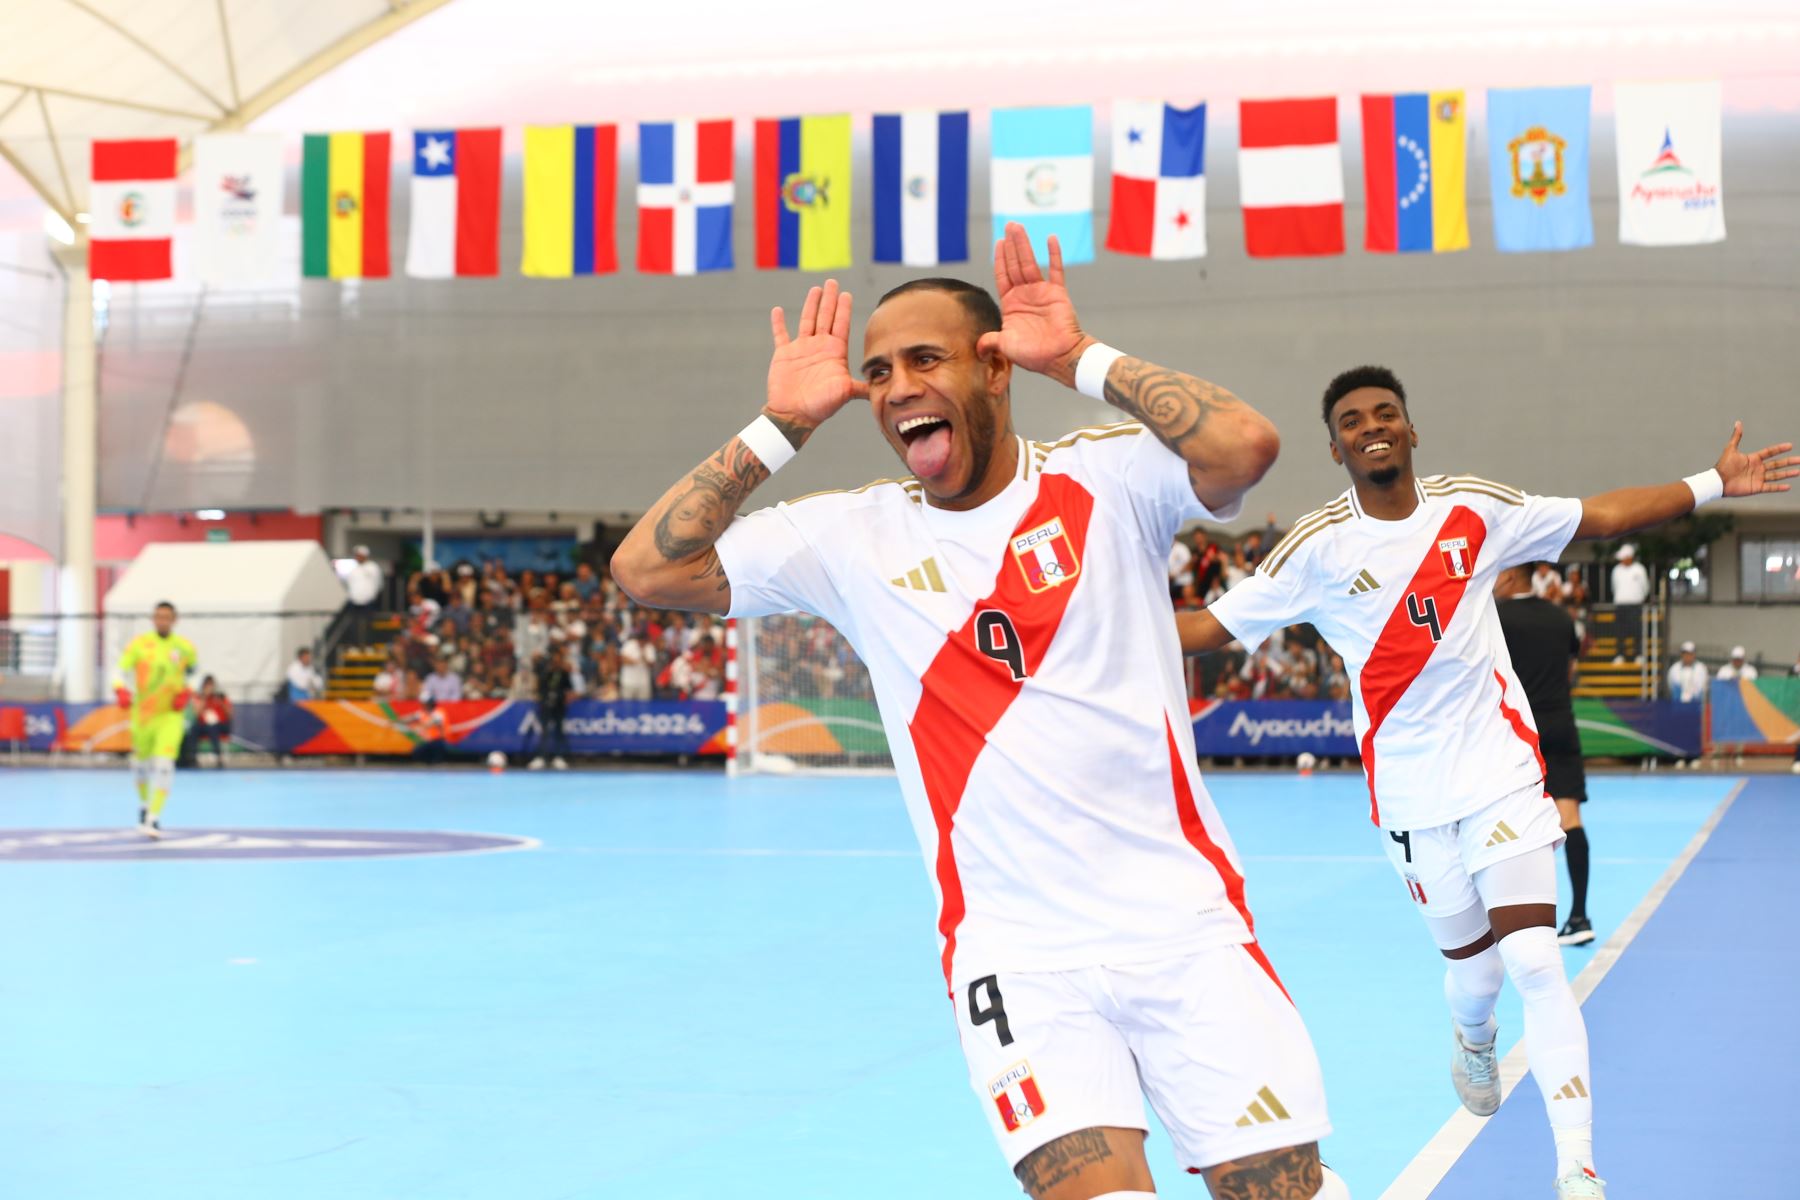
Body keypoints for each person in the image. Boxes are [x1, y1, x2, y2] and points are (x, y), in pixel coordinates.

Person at [611, 226, 1344, 1200]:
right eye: (877, 371)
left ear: (995, 369)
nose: (897, 385)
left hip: (1184, 929)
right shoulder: (850, 536)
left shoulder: (1106, 480)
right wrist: (779, 424)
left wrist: (1079, 357)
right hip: (1016, 959)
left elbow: (1245, 445)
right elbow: (646, 571)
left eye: (925, 359)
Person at [1175, 363, 1795, 1200]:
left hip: (1500, 774)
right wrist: (1082, 610)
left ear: (1411, 429)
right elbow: (1210, 627)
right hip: (1408, 799)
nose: (1372, 426)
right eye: (1353, 420)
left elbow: (1600, 517)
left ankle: (1577, 1166)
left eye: (1386, 412)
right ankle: (1473, 1036)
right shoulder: (1317, 548)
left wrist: (1711, 481)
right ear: (1335, 447)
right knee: (1475, 973)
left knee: (1537, 957)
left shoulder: (1473, 509)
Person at [1495, 566, 1593, 946]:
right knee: (1571, 818)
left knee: (1508, 827)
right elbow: (1570, 667)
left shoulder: (1496, 618)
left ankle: (1515, 927)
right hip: (1561, 723)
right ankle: (1580, 916)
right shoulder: (1559, 617)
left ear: (1511, 577)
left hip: (1518, 733)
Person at [111, 600, 198, 838]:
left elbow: (195, 673)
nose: (162, 620)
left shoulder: (184, 647)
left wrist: (187, 691)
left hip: (170, 715)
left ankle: (154, 817)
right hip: (143, 715)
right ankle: (144, 805)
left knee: (164, 764)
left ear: (174, 620)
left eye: (167, 617)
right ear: (153, 619)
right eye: (158, 616)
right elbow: (118, 670)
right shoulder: (140, 645)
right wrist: (120, 689)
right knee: (140, 766)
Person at [529, 644, 574, 770]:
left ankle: (558, 757)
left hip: (559, 704)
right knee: (544, 732)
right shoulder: (544, 669)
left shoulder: (564, 672)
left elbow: (569, 687)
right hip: (545, 703)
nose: (556, 660)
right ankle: (541, 757)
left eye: (558, 657)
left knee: (559, 731)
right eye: (554, 657)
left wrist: (567, 697)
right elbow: (538, 680)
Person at [178, 676, 233, 768]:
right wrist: (205, 697)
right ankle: (192, 757)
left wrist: (221, 703)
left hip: (220, 725)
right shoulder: (200, 697)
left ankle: (218, 757)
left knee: (213, 728)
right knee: (193, 729)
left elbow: (230, 715)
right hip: (204, 726)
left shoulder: (222, 697)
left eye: (211, 685)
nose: (209, 687)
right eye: (207, 685)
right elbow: (197, 714)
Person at [1608, 544, 1650, 663]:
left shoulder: (1639, 569)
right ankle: (1620, 654)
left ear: (1630, 556)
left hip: (1635, 604)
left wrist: (1639, 597)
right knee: (1620, 631)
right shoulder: (1616, 570)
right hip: (1620, 604)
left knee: (1636, 630)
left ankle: (1638, 654)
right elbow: (1614, 587)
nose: (1622, 559)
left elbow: (1645, 587)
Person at [344, 545, 384, 648]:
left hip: (368, 601)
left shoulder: (373, 567)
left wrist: (373, 597)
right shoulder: (353, 569)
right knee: (353, 625)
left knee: (369, 624)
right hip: (354, 601)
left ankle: (369, 644)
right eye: (357, 555)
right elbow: (349, 584)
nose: (358, 557)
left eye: (360, 555)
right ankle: (355, 644)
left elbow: (378, 584)